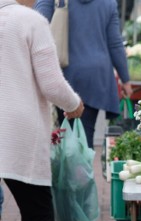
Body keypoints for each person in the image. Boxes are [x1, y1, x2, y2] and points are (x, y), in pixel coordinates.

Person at [0, 0, 84, 221]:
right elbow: (50, 83)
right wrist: (74, 105)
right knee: (37, 219)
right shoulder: (30, 20)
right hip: (17, 133)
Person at [34, 0, 133, 149]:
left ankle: (74, 169)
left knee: (67, 133)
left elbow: (37, 27)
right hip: (97, 75)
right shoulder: (108, 3)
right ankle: (83, 168)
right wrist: (125, 79)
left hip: (65, 74)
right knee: (85, 133)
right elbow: (115, 43)